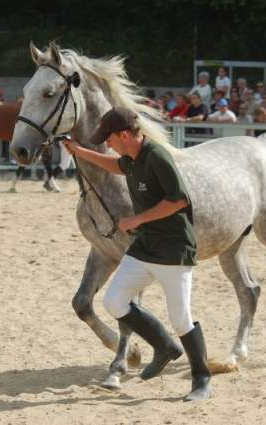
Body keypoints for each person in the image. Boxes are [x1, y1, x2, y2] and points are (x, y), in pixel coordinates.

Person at [62, 107, 211, 402]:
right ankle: (164, 346)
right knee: (114, 301)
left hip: (173, 249)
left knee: (181, 319)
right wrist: (79, 151)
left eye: (109, 139)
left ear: (124, 135)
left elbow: (179, 200)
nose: (107, 144)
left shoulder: (157, 156)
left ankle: (202, 379)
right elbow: (115, 166)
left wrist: (137, 219)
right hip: (144, 247)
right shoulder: (132, 157)